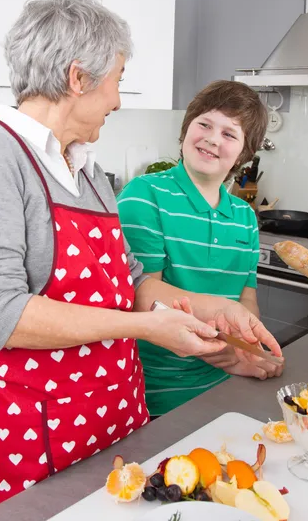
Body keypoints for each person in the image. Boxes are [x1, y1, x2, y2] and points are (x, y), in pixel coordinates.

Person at [0, 0, 281, 519]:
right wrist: (148, 329)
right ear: (80, 78)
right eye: (117, 79)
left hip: (113, 416)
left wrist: (212, 307)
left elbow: (133, 282)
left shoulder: (87, 170)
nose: (119, 100)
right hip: (31, 427)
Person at [117, 80, 284, 417]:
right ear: (186, 128)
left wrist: (244, 350)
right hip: (154, 393)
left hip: (225, 390)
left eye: (229, 134)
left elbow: (246, 299)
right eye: (204, 124)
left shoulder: (244, 218)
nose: (212, 138)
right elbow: (139, 297)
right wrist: (211, 344)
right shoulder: (145, 195)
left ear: (245, 153)